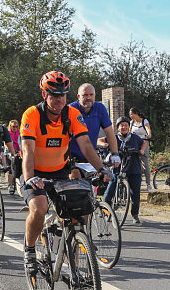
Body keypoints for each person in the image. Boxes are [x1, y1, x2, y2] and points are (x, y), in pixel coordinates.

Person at [20, 71, 111, 275]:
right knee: (39, 207)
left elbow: (86, 144)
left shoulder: (71, 114)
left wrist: (101, 169)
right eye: (54, 94)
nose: (59, 99)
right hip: (34, 172)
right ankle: (30, 249)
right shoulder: (32, 114)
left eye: (63, 94)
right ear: (44, 94)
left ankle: (74, 267)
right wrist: (29, 178)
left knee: (76, 213)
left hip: (60, 171)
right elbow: (28, 150)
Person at [101, 116, 147, 225]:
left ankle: (135, 215)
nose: (124, 127)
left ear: (129, 127)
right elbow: (100, 140)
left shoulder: (135, 138)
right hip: (118, 169)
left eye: (126, 125)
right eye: (121, 125)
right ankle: (106, 210)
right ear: (118, 128)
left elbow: (144, 142)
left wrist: (142, 150)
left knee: (135, 193)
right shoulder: (114, 138)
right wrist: (104, 144)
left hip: (134, 169)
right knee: (110, 189)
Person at [69, 83, 120, 177]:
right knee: (76, 182)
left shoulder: (100, 108)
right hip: (72, 158)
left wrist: (115, 153)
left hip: (91, 157)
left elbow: (109, 132)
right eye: (85, 95)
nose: (88, 98)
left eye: (91, 95)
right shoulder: (70, 110)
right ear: (78, 96)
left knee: (98, 183)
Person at [129, 107, 152, 191]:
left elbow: (148, 130)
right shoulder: (131, 123)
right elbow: (129, 132)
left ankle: (148, 183)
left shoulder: (144, 121)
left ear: (136, 113)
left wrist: (149, 134)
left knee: (145, 164)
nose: (130, 116)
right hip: (135, 143)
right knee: (134, 164)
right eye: (130, 114)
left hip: (143, 143)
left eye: (132, 114)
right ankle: (136, 182)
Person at [6, 120, 21, 193]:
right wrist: (9, 150)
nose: (15, 128)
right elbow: (6, 143)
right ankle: (10, 185)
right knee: (11, 169)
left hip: (19, 151)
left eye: (16, 126)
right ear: (10, 126)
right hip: (9, 152)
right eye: (13, 126)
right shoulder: (8, 133)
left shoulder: (20, 133)